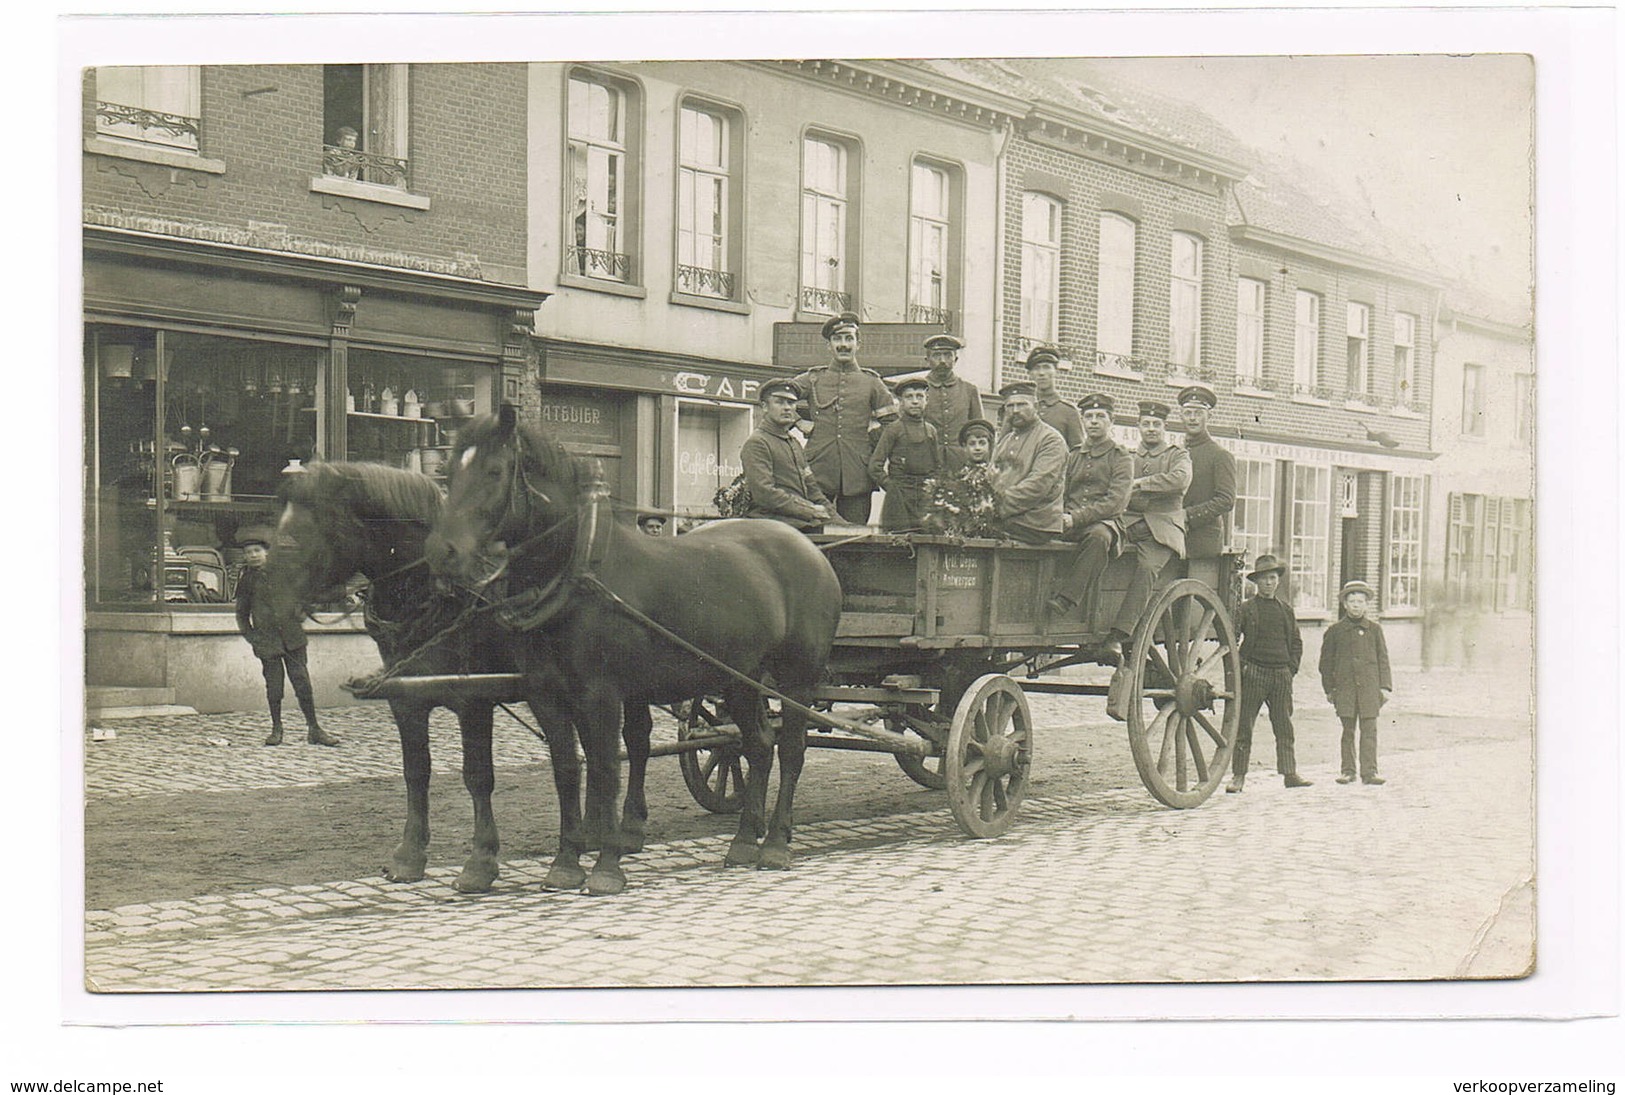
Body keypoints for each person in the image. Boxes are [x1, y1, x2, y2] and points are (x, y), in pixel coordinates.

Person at [1046, 393, 1134, 650]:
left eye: (1100, 417)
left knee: (1098, 537)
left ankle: (1067, 599)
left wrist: (1075, 517)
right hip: (1069, 519)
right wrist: (1055, 515)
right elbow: (1059, 490)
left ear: (1111, 421)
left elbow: (1116, 502)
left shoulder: (1121, 457)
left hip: (1105, 522)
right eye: (1089, 417)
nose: (1094, 422)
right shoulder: (1074, 455)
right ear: (1083, 421)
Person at [793, 312, 898, 524]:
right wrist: (798, 422)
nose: (843, 345)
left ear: (858, 344)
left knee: (854, 537)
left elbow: (893, 425)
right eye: (837, 339)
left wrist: (872, 443)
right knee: (813, 531)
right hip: (817, 471)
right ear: (829, 346)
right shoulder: (813, 378)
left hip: (858, 473)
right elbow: (773, 396)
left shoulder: (871, 382)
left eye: (849, 338)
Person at [234, 535, 338, 748]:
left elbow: (305, 596)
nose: (253, 556)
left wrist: (301, 614)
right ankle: (276, 728)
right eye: (248, 552)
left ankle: (314, 728)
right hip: (267, 643)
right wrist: (254, 639)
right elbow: (242, 616)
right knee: (274, 687)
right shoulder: (246, 581)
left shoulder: (285, 574)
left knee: (303, 683)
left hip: (293, 639)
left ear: (267, 553)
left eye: (257, 551)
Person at [1103, 400, 1191, 650]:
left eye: (1156, 424)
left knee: (1147, 568)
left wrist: (1140, 484)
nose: (1151, 428)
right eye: (1146, 424)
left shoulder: (1178, 455)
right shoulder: (1127, 456)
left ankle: (1120, 633)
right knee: (1099, 543)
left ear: (1165, 427)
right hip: (1129, 522)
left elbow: (1180, 480)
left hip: (1162, 528)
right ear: (1139, 427)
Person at [1229, 554, 1310, 792]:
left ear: (1278, 581)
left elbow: (1296, 642)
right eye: (1264, 579)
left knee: (1284, 726)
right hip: (1254, 673)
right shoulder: (1246, 609)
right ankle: (1238, 776)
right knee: (1244, 726)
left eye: (1272, 578)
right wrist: (1242, 667)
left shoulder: (1285, 610)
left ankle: (1289, 773)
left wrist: (1290, 668)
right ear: (1257, 583)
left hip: (1281, 675)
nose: (1268, 583)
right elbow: (1233, 640)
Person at [1319, 580, 1393, 786]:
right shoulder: (1335, 632)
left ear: (1367, 604)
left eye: (1360, 601)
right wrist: (1329, 689)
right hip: (1345, 689)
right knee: (1348, 730)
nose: (1356, 605)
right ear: (1344, 604)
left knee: (1369, 731)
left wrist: (1385, 686)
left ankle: (1369, 771)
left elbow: (1383, 659)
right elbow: (1325, 663)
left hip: (1370, 689)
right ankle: (1348, 770)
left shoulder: (1375, 630)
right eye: (1351, 601)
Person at [739, 378, 835, 530]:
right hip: (773, 524)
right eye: (779, 402)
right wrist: (810, 511)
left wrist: (838, 521)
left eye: (791, 403)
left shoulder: (794, 443)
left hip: (799, 521)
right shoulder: (758, 443)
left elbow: (813, 490)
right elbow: (765, 494)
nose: (787, 408)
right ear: (765, 407)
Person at [989, 381, 1067, 543]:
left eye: (1022, 404)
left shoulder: (1051, 440)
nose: (1015, 411)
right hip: (1007, 518)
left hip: (1035, 522)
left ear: (1036, 406)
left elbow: (1038, 485)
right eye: (1010, 406)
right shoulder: (1005, 441)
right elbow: (991, 479)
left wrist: (993, 507)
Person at [868, 376, 945, 531]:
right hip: (899, 500)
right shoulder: (893, 429)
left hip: (925, 499)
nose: (915, 401)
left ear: (926, 400)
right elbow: (874, 466)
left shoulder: (931, 431)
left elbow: (938, 467)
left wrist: (933, 490)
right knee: (899, 542)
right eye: (909, 397)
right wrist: (891, 487)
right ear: (901, 401)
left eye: (920, 396)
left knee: (928, 541)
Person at [1177, 384, 1236, 565]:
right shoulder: (1175, 453)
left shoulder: (1220, 455)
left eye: (1199, 413)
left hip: (1202, 543)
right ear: (1181, 416)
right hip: (1173, 536)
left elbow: (1226, 500)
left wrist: (1188, 515)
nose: (1193, 418)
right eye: (1188, 413)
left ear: (1209, 416)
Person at [924, 418, 998, 537]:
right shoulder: (957, 478)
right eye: (972, 443)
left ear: (990, 446)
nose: (977, 448)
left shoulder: (997, 476)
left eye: (982, 443)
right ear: (964, 447)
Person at [919, 333, 984, 446]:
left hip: (960, 458)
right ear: (927, 360)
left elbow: (979, 429)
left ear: (956, 359)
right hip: (926, 458)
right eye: (936, 355)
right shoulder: (918, 390)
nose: (942, 360)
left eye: (948, 355)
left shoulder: (969, 390)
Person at [1025, 346, 1084, 450]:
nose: (1042, 373)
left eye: (1047, 367)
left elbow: (1077, 453)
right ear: (1030, 374)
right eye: (1037, 368)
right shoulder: (1022, 408)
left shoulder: (1068, 411)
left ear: (1057, 371)